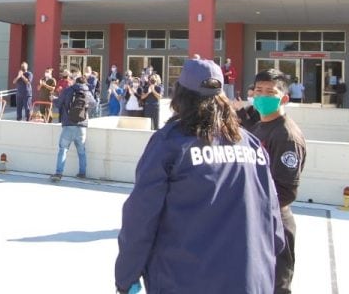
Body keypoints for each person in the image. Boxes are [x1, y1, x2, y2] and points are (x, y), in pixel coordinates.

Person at [115, 59, 284, 294]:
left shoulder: (171, 144)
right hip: (251, 280)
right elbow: (274, 222)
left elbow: (140, 218)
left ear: (179, 95)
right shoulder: (251, 144)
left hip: (185, 280)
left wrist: (126, 277)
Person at [248, 69, 307, 294]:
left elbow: (286, 191)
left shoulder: (286, 136)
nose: (262, 97)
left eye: (270, 92)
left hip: (274, 221)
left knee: (275, 284)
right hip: (256, 217)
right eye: (258, 91)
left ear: (284, 98)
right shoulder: (258, 125)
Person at [49, 74, 96, 182]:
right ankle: (82, 173)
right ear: (84, 83)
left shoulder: (68, 90)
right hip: (82, 126)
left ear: (76, 82)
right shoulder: (87, 92)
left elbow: (59, 103)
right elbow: (94, 104)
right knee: (81, 151)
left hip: (68, 125)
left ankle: (59, 173)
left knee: (63, 149)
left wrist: (53, 99)